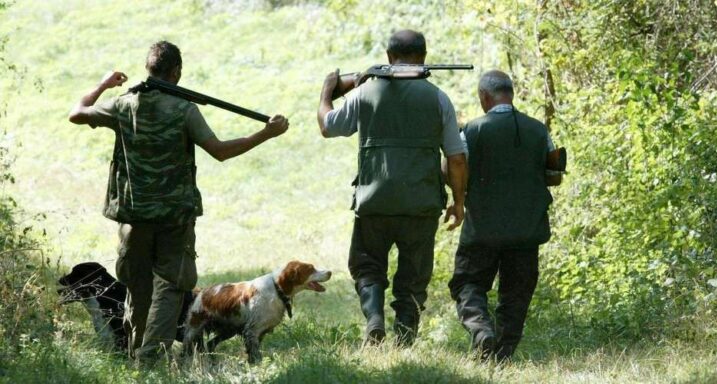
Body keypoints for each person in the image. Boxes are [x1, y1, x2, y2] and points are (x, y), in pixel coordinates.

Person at [68, 41, 289, 362]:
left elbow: (76, 113)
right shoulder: (184, 109)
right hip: (175, 217)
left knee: (138, 284)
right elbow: (220, 151)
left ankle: (134, 350)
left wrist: (104, 84)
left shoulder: (122, 105)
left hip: (133, 215)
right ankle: (150, 357)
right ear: (177, 72)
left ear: (149, 70)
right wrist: (265, 134)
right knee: (171, 287)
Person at [317, 30, 468, 346]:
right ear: (423, 58)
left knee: (368, 266)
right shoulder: (438, 97)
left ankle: (374, 319)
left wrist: (326, 93)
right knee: (414, 275)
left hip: (374, 201)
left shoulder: (365, 93)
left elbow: (328, 126)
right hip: (421, 203)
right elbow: (456, 157)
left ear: (388, 58)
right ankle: (406, 336)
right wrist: (458, 201)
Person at [448, 70, 562, 361]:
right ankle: (503, 353)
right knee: (516, 293)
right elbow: (554, 174)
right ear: (511, 94)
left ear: (485, 97)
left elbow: (456, 168)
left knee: (467, 283)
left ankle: (481, 330)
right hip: (526, 230)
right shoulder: (539, 130)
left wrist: (458, 198)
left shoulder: (472, 130)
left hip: (482, 229)